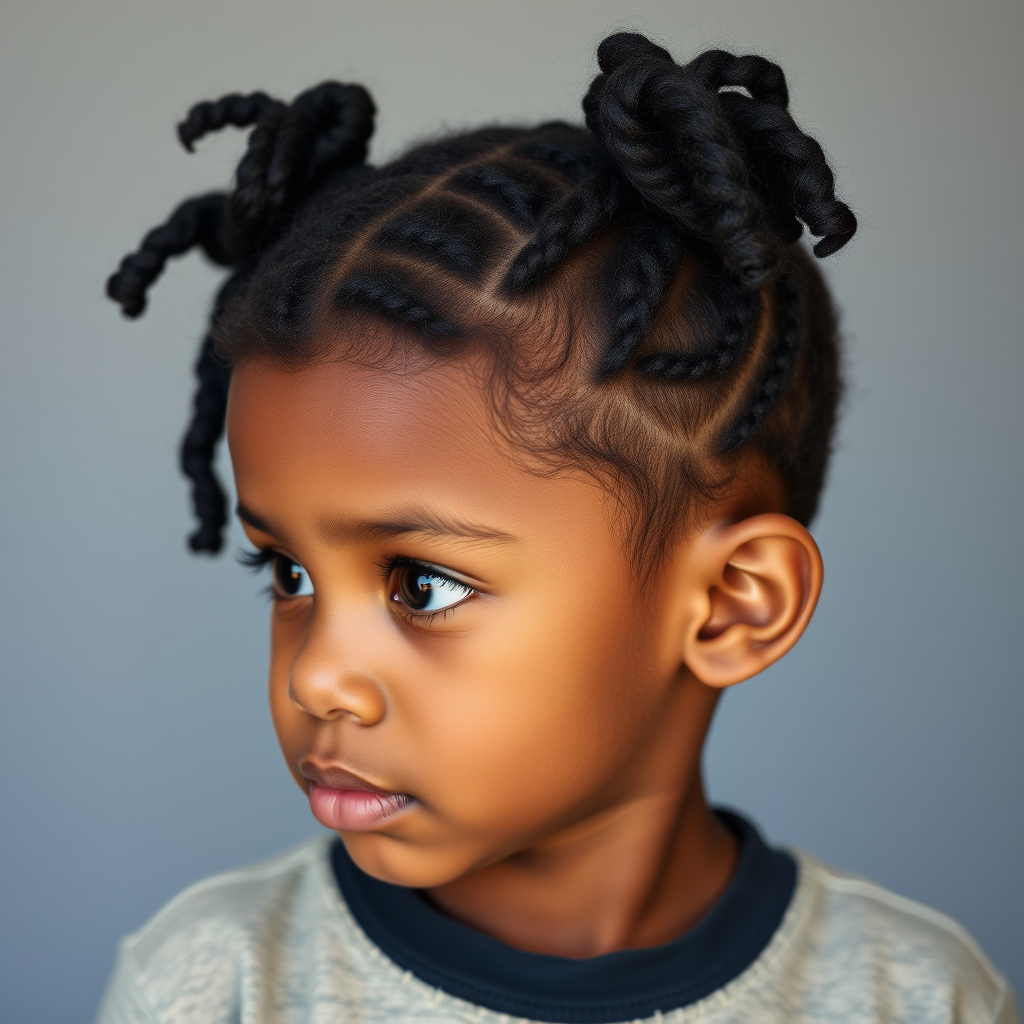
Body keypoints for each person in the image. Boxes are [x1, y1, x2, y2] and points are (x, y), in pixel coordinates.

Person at [97, 31, 1017, 1024]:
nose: (316, 677)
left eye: (423, 584)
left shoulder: (916, 998)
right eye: (287, 574)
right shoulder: (211, 983)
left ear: (729, 605)